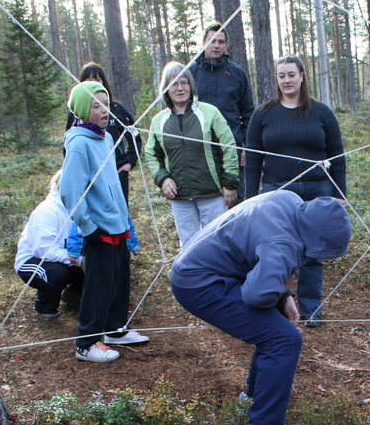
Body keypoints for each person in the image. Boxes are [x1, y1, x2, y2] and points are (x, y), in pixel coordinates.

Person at [170, 190, 351, 425]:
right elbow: (256, 295)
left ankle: (251, 400)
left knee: (275, 332)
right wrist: (280, 289)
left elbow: (265, 251)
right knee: (284, 340)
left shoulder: (290, 199)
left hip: (197, 264)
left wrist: (285, 294)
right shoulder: (284, 244)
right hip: (200, 283)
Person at [244, 55, 348, 328]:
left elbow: (337, 155)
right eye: (281, 75)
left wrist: (340, 193)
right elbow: (253, 160)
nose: (286, 80)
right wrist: (250, 199)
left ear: (302, 76)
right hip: (277, 192)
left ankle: (311, 309)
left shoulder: (321, 112)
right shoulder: (263, 114)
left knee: (313, 253)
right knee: (275, 250)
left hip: (317, 190)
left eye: (291, 74)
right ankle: (275, 307)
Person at [62, 81, 149, 363]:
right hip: (98, 228)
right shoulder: (79, 144)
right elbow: (71, 192)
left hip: (116, 223)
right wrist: (87, 227)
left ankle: (114, 329)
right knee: (99, 285)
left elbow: (112, 184)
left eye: (106, 104)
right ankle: (86, 343)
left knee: (119, 280)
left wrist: (125, 221)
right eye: (96, 105)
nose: (104, 110)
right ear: (82, 110)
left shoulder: (106, 139)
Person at [145, 61, 239, 246]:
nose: (180, 88)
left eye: (184, 82)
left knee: (218, 243)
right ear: (166, 89)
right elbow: (152, 155)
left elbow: (228, 147)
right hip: (180, 198)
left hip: (213, 194)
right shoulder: (158, 121)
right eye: (174, 84)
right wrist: (163, 179)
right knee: (189, 246)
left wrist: (230, 184)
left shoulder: (210, 112)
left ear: (191, 85)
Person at [189, 24, 255, 205]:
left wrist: (246, 146)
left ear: (226, 45)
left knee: (234, 202)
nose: (216, 45)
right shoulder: (191, 73)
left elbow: (248, 113)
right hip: (199, 149)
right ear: (204, 42)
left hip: (231, 148)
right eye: (212, 41)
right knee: (206, 202)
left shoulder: (236, 73)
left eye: (221, 41)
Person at [65, 63, 142, 204]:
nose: (93, 83)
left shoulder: (116, 109)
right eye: (88, 80)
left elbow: (134, 134)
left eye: (97, 79)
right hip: (90, 177)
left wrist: (130, 162)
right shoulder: (75, 115)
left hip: (117, 172)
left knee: (119, 208)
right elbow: (68, 147)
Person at [14, 170, 85, 321]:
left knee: (95, 264)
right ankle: (45, 306)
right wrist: (80, 260)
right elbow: (44, 251)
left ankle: (73, 294)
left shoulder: (79, 207)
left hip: (65, 256)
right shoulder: (47, 211)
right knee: (57, 274)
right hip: (33, 260)